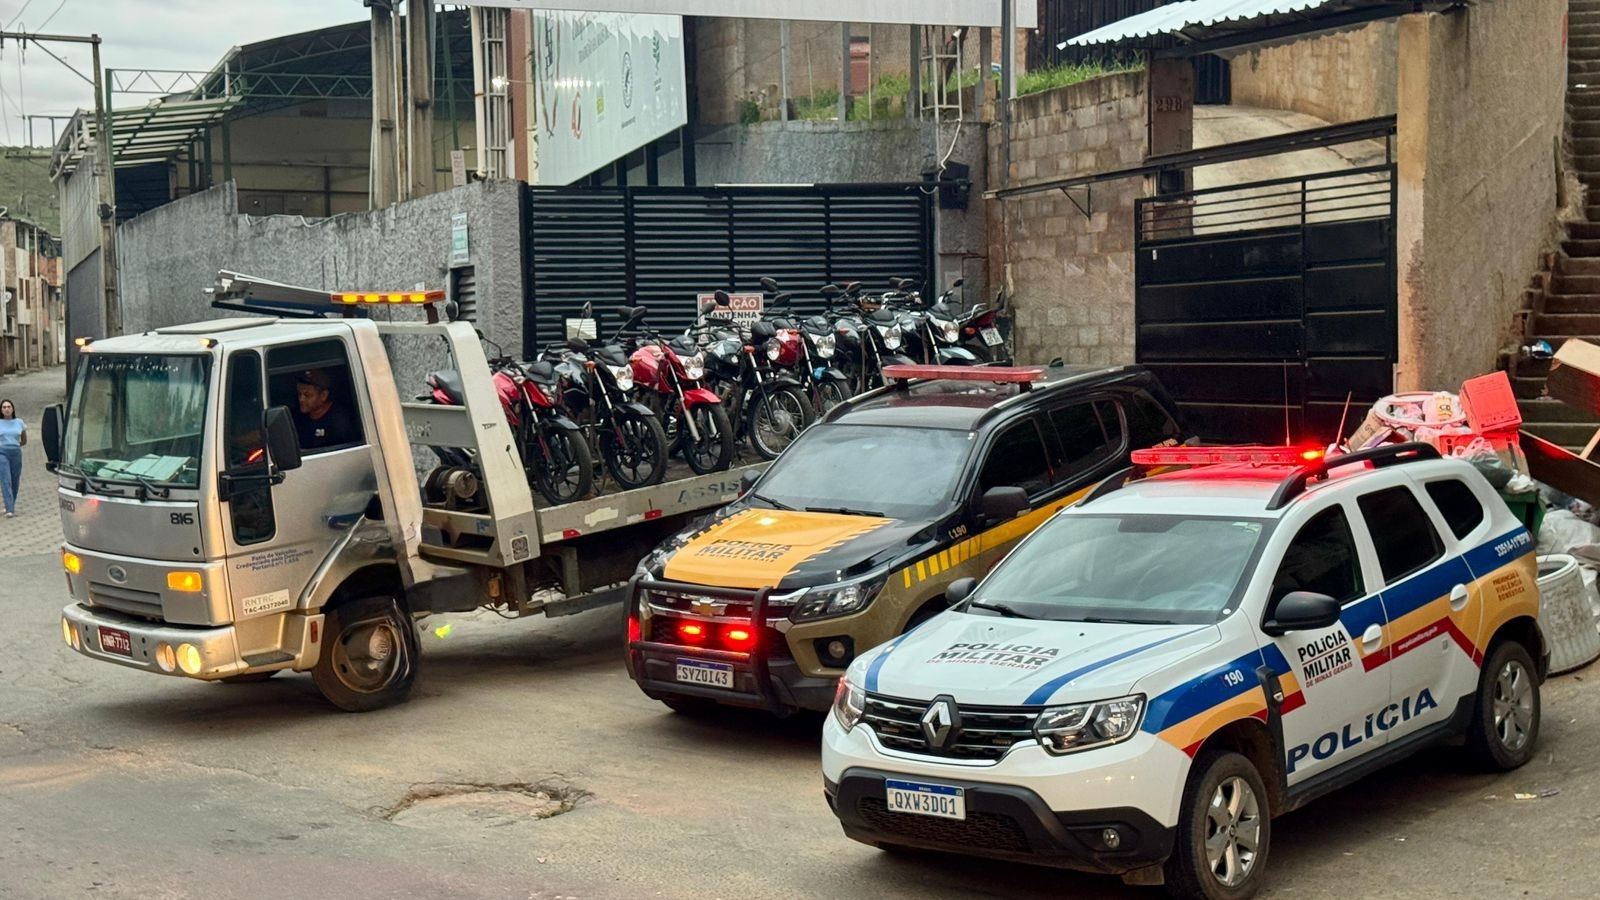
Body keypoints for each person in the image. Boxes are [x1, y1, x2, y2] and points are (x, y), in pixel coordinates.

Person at [293, 369, 360, 450]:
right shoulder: (299, 418)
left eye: (307, 395)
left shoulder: (339, 421)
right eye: (299, 394)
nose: (301, 399)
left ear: (323, 395)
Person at [0, 399, 24, 518]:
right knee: (6, 480)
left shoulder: (19, 422)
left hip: (16, 453)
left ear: (13, 409)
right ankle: (10, 509)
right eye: (4, 407)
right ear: (1, 410)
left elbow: (24, 439)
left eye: (9, 407)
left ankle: (10, 504)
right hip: (2, 453)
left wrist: (17, 445)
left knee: (15, 480)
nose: (7, 409)